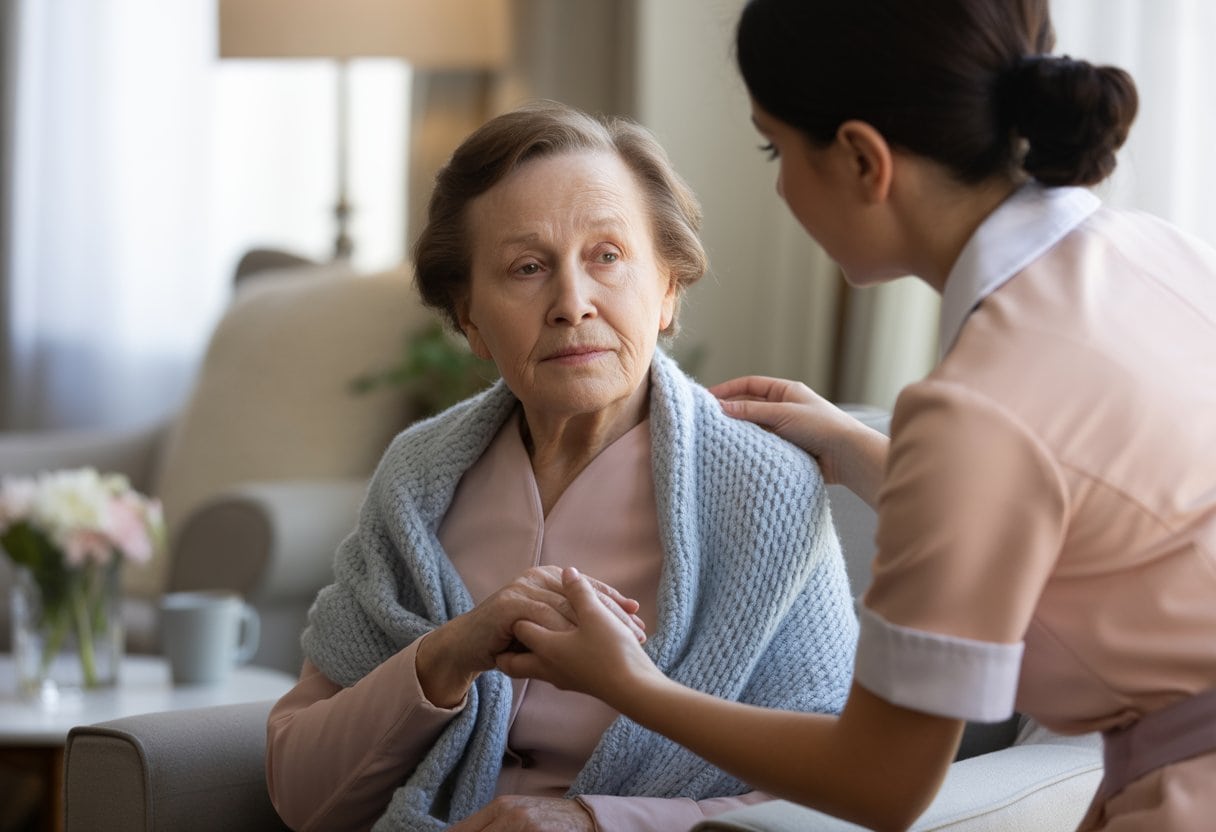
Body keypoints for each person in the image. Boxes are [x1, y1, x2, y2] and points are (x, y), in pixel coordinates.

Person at [496, 2, 1216, 830]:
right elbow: (1094, 515)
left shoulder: (976, 412)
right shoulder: (1160, 252)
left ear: (862, 161)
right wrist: (860, 451)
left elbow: (881, 782)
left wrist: (628, 682)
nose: (774, 182)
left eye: (775, 147)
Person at [264, 101, 858, 831]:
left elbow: (834, 793)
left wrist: (597, 823)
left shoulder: (763, 490)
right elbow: (300, 793)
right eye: (527, 267)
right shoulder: (418, 483)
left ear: (668, 287)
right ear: (471, 318)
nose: (572, 304)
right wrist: (445, 656)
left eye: (607, 256)